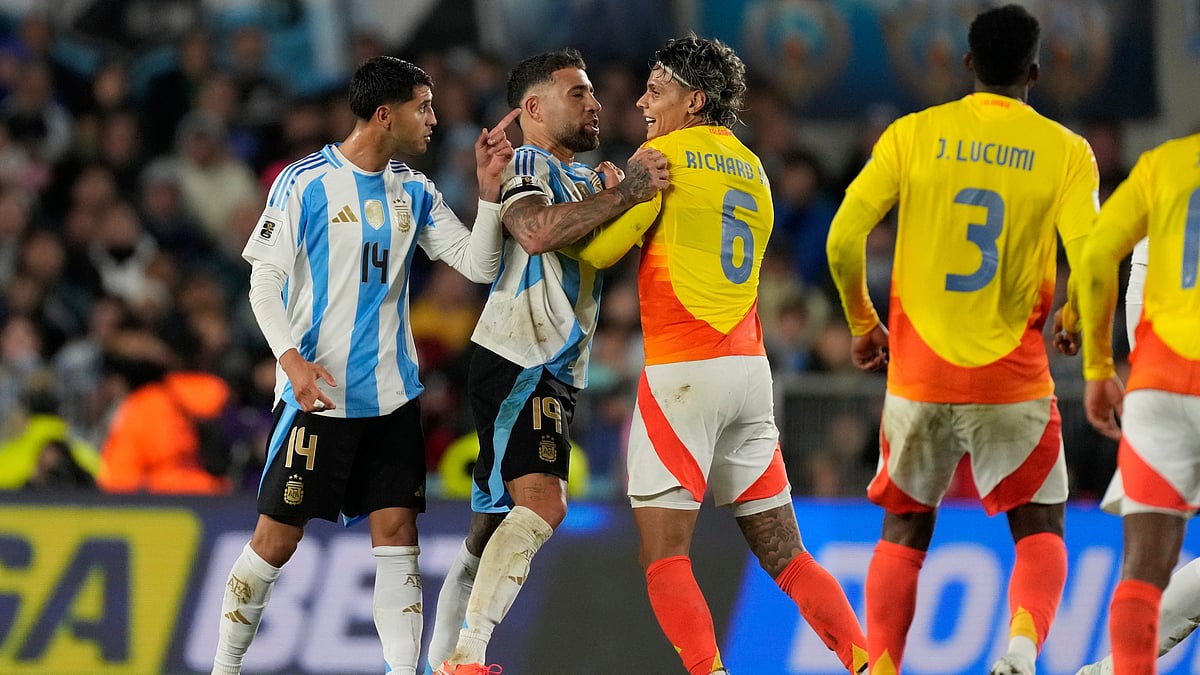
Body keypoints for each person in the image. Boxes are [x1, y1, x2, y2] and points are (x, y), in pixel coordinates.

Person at [565, 35, 869, 675]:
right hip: (749, 374)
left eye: (657, 89)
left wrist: (607, 197)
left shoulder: (661, 154)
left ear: (694, 99)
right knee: (788, 555)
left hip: (682, 376)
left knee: (666, 557)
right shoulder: (755, 167)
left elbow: (596, 253)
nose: (644, 100)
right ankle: (871, 664)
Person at [210, 55, 520, 675]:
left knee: (398, 536)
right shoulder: (304, 182)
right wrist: (291, 361)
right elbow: (264, 286)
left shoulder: (415, 190)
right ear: (385, 114)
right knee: (276, 541)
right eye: (424, 107)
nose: (435, 118)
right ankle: (225, 669)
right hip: (318, 394)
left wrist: (491, 198)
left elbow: (479, 265)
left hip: (393, 394)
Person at [824, 5, 1099, 675]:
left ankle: (883, 667)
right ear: (1035, 71)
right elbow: (1093, 261)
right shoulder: (1065, 151)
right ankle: (1020, 650)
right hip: (1013, 375)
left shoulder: (912, 134)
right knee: (1040, 524)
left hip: (918, 374)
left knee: (906, 527)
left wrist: (863, 324)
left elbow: (841, 239)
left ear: (968, 63)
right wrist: (1073, 320)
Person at [427, 48, 669, 675]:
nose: (595, 104)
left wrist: (618, 198)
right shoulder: (526, 163)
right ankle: (468, 656)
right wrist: (635, 189)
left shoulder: (585, 181)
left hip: (552, 365)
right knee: (543, 503)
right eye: (578, 94)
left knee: (489, 531)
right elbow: (534, 231)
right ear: (533, 108)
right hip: (520, 357)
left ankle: (433, 664)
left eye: (593, 94)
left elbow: (591, 252)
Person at [1075, 130, 1200, 674]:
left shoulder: (1163, 167)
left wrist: (1108, 367)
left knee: (1145, 569)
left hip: (1157, 384)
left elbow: (1106, 252)